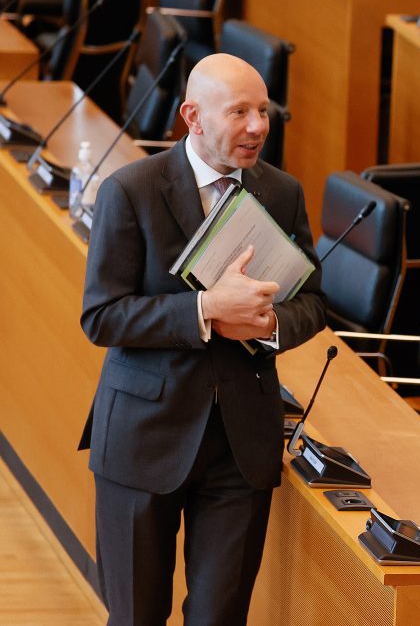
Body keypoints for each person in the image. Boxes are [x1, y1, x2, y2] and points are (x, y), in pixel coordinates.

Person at [79, 54, 327, 625]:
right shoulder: (131, 190)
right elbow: (103, 316)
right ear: (192, 116)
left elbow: (313, 302)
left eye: (263, 111)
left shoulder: (282, 192)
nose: (258, 126)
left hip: (239, 448)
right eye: (239, 112)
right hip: (143, 440)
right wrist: (205, 311)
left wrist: (268, 325)